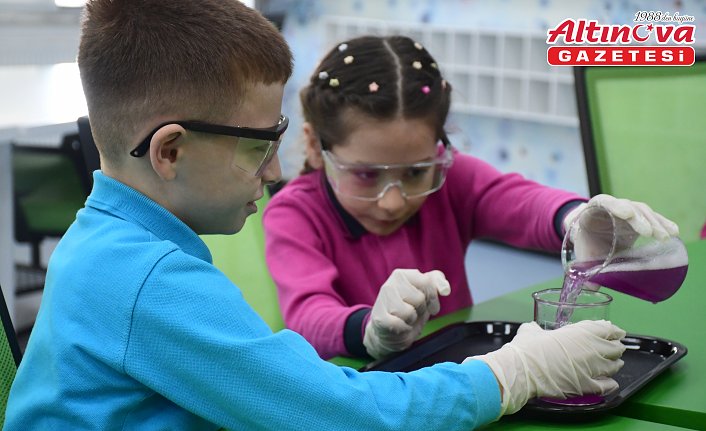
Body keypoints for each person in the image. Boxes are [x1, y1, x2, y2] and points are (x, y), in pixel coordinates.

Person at [3, 2, 626, 429]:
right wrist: (511, 372)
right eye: (258, 147)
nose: (274, 173)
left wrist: (574, 217)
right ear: (169, 150)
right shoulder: (146, 281)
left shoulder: (110, 244)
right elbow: (341, 416)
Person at [262, 35, 680, 360]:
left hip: (457, 378)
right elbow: (307, 315)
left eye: (415, 172)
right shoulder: (294, 214)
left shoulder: (452, 180)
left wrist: (578, 221)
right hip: (355, 393)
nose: (392, 201)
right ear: (316, 146)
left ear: (441, 151)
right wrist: (369, 329)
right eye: (366, 175)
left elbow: (518, 202)